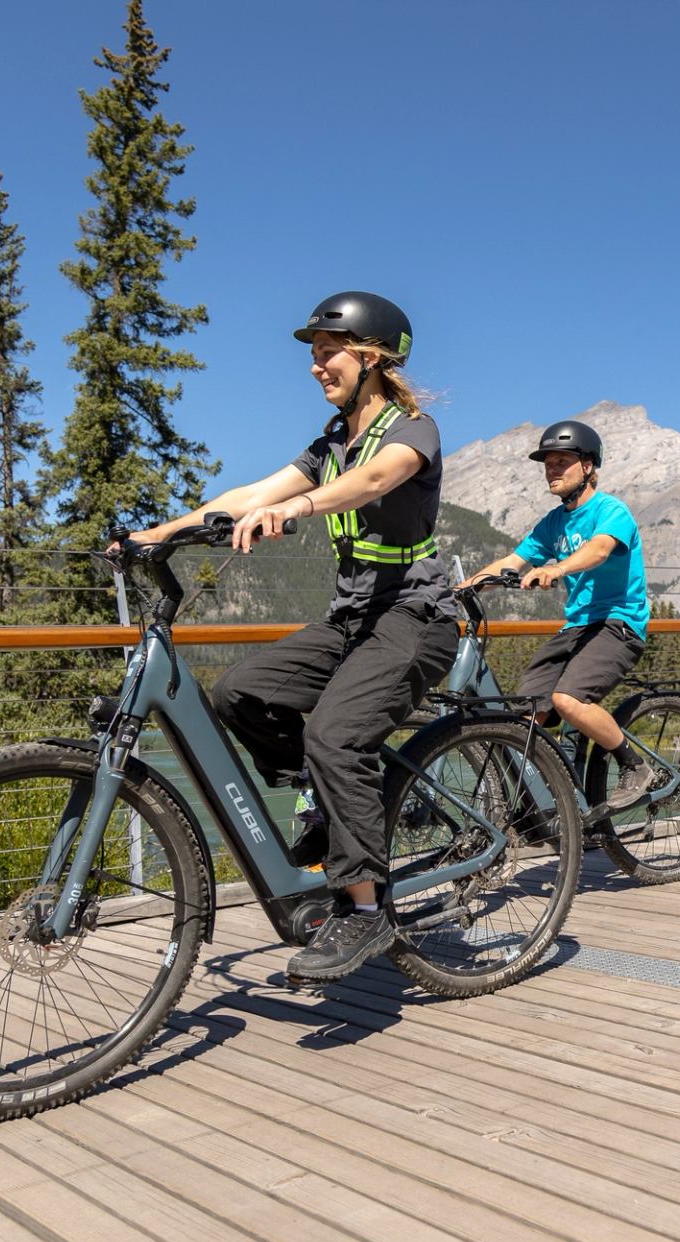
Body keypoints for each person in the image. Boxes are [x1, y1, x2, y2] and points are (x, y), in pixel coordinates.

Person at [131, 291, 457, 982]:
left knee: (335, 735)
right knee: (241, 694)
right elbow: (252, 493)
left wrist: (302, 505)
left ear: (371, 357)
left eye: (326, 352)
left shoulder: (411, 429)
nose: (316, 366)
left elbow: (377, 479)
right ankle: (322, 795)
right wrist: (160, 532)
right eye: (312, 354)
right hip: (353, 618)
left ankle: (365, 912)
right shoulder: (331, 441)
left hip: (413, 618)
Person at [459, 420, 654, 814]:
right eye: (547, 463)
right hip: (577, 627)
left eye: (562, 461)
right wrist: (462, 589)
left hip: (619, 624)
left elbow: (599, 550)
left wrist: (558, 568)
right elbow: (512, 562)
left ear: (587, 466)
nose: (552, 469)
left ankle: (635, 766)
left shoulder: (610, 510)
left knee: (567, 699)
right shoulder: (553, 523)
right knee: (526, 711)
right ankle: (559, 800)